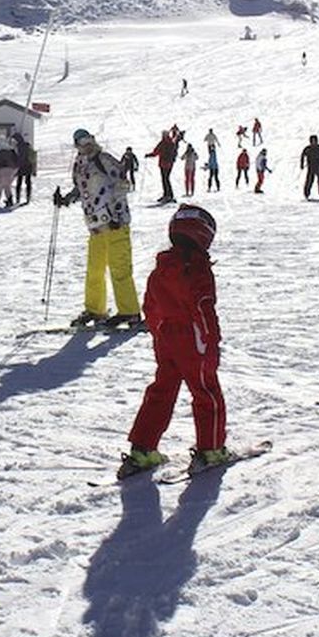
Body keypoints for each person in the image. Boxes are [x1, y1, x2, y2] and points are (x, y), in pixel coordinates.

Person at [117, 205, 230, 478]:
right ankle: (211, 449)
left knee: (162, 390)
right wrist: (210, 340)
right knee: (206, 391)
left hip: (167, 338)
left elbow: (150, 305)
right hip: (193, 339)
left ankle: (142, 449)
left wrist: (159, 334)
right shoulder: (197, 269)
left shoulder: (162, 267)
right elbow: (203, 307)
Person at [53, 129, 140, 328]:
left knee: (119, 268)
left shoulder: (104, 160)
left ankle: (130, 312)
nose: (86, 145)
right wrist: (65, 199)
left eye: (88, 140)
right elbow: (81, 189)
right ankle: (95, 309)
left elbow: (122, 185)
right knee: (95, 270)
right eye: (81, 142)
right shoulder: (79, 164)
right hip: (95, 226)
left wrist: (117, 214)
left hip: (115, 223)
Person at [148, 130, 179, 202]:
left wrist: (150, 155)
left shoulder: (163, 143)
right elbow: (175, 151)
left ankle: (167, 195)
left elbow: (156, 151)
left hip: (163, 163)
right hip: (170, 164)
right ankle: (169, 195)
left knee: (165, 179)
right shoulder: (171, 143)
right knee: (167, 179)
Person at [0, 139, 20, 207]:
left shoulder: (2, 152)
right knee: (7, 186)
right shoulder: (12, 152)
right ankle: (10, 200)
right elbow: (17, 161)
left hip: (3, 170)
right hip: (12, 170)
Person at [300, 135, 319, 200]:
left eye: (315, 141)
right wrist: (302, 164)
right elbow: (302, 156)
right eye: (312, 141)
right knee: (309, 181)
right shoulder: (308, 149)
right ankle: (306, 195)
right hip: (311, 167)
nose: (313, 142)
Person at [13, 131, 36, 204]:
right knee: (28, 182)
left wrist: (16, 167)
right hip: (28, 166)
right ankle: (28, 197)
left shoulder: (18, 147)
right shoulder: (28, 145)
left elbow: (20, 158)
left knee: (19, 183)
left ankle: (18, 198)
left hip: (21, 166)